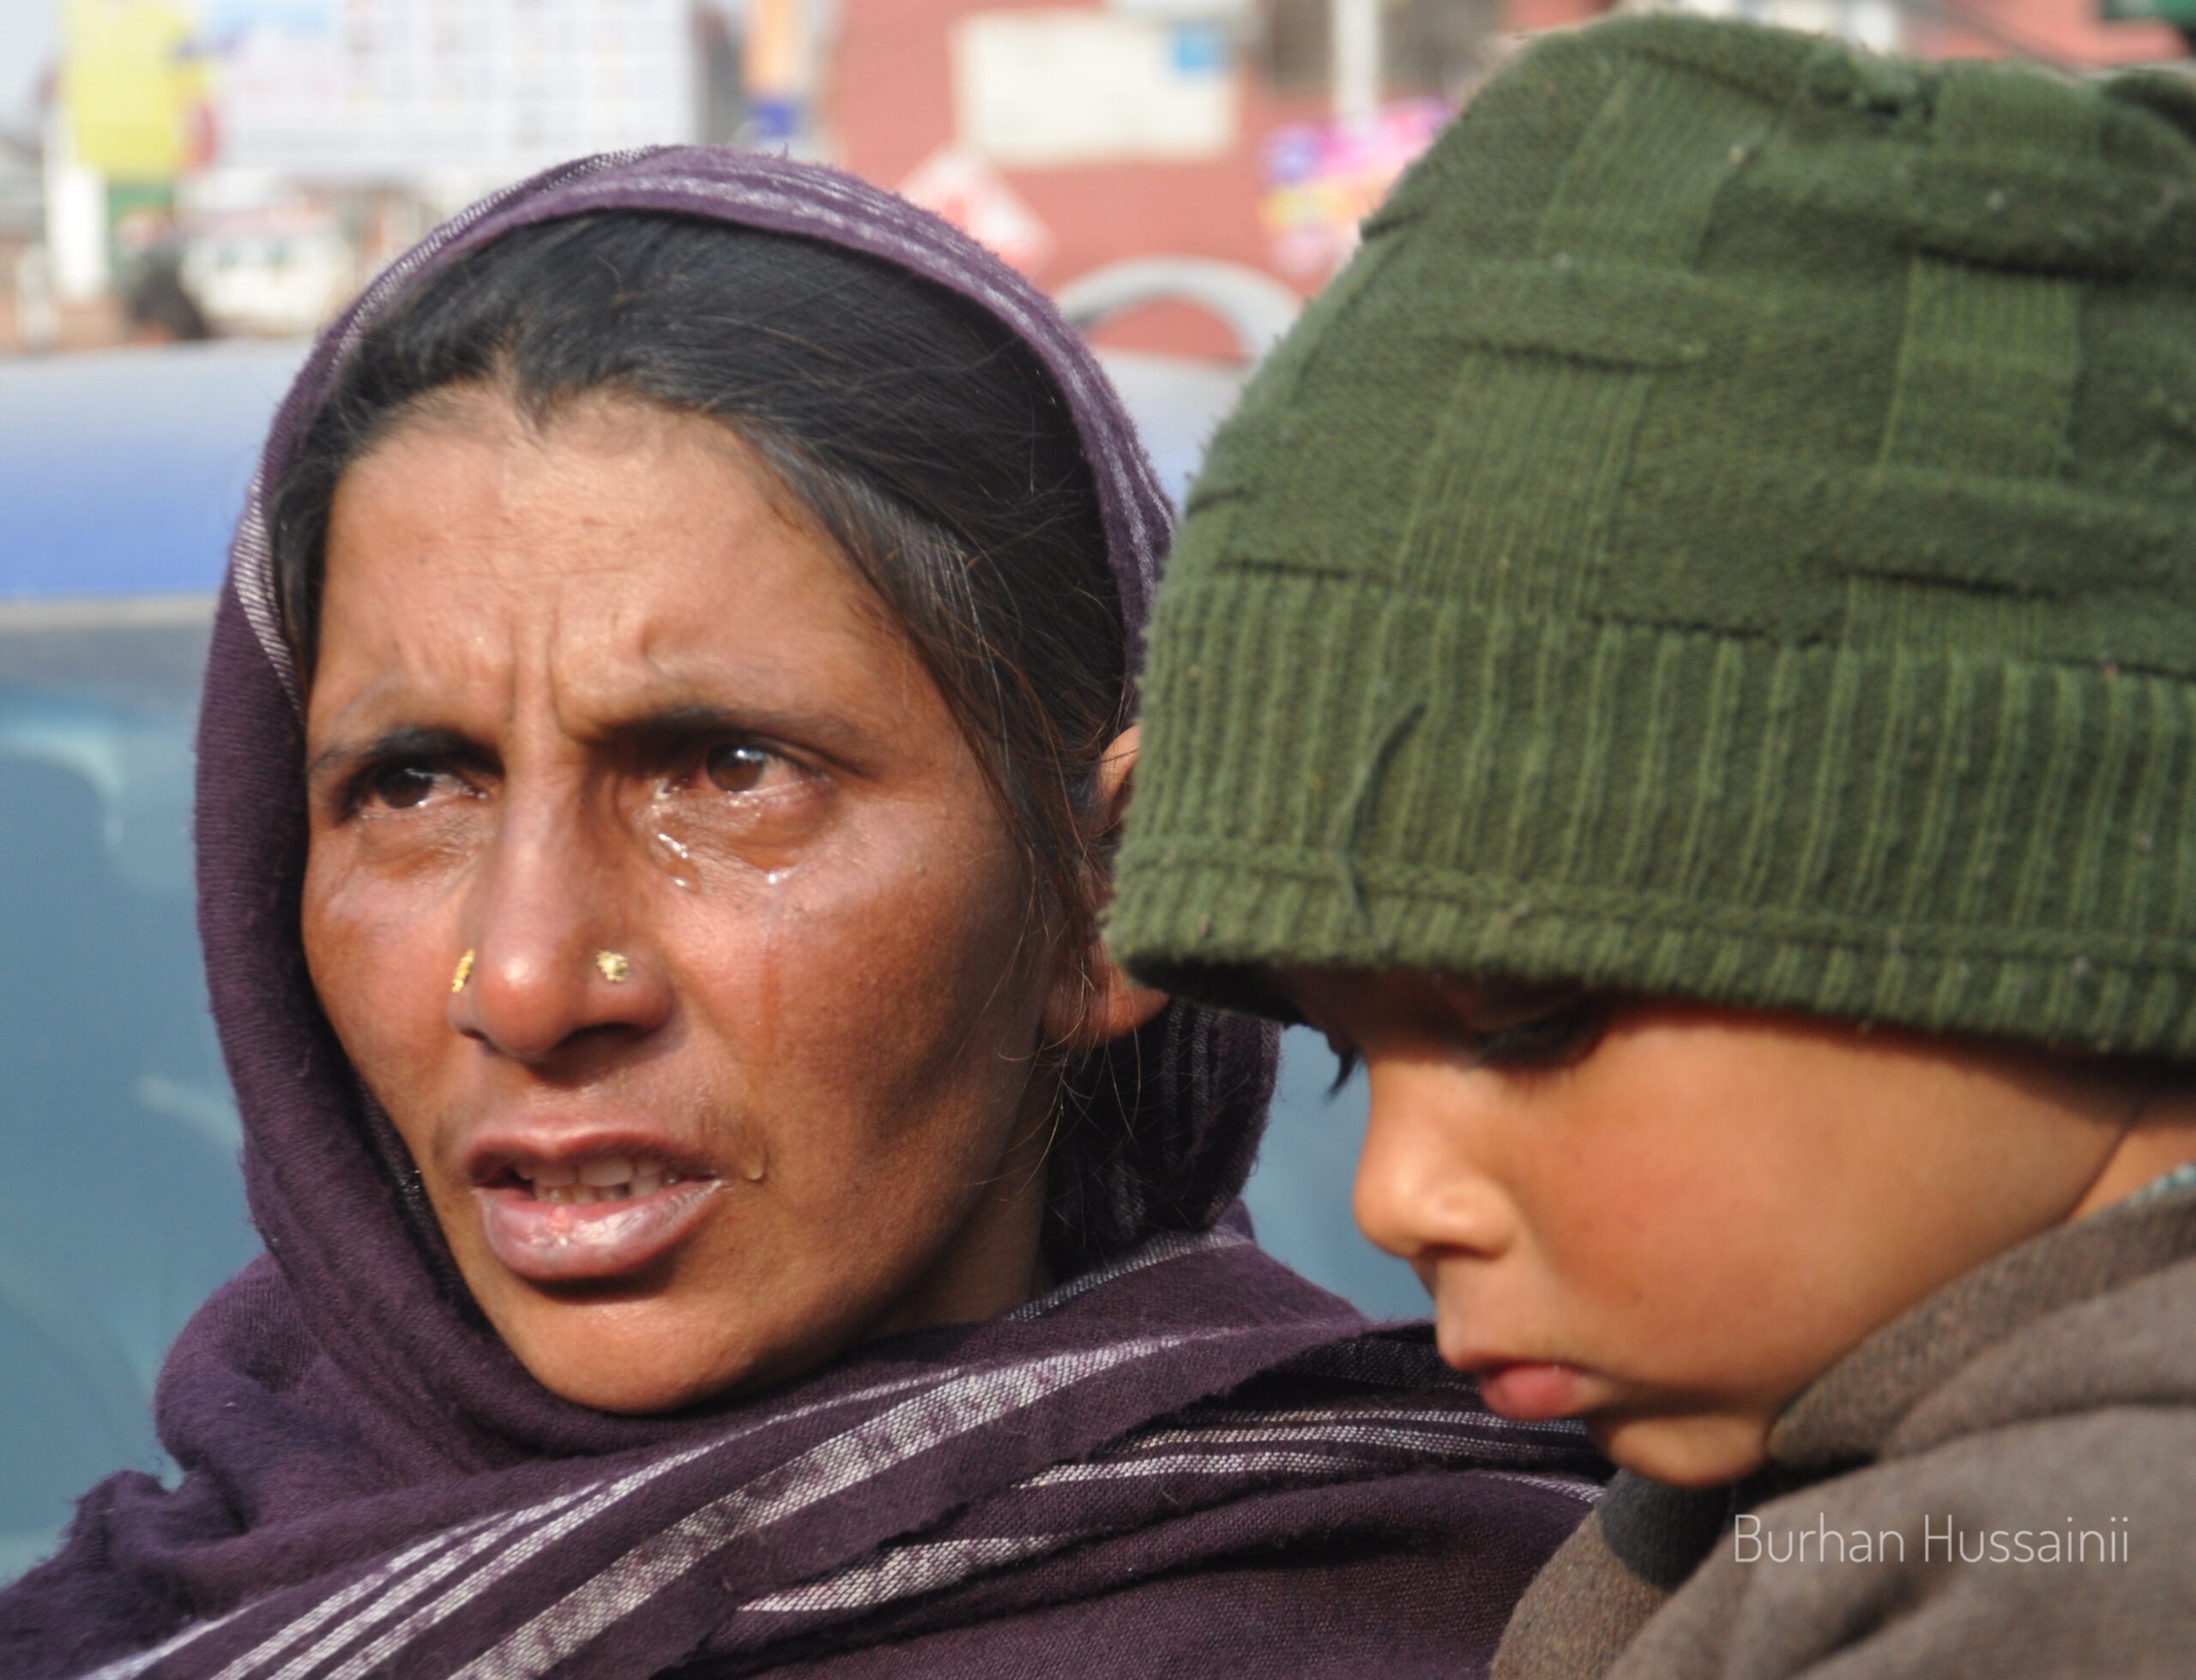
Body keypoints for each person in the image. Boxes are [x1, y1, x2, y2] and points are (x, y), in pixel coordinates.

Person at [0, 151, 1604, 1678]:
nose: (539, 981)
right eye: (417, 785)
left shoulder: (1534, 1630)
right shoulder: (127, 1616)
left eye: (726, 769)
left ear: (1108, 895)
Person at [1107, 16, 2196, 1677]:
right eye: (1347, 1058)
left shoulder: (2064, 1575)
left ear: (2026, 876)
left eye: (1523, 1017)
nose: (1397, 1194)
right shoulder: (1866, 1487)